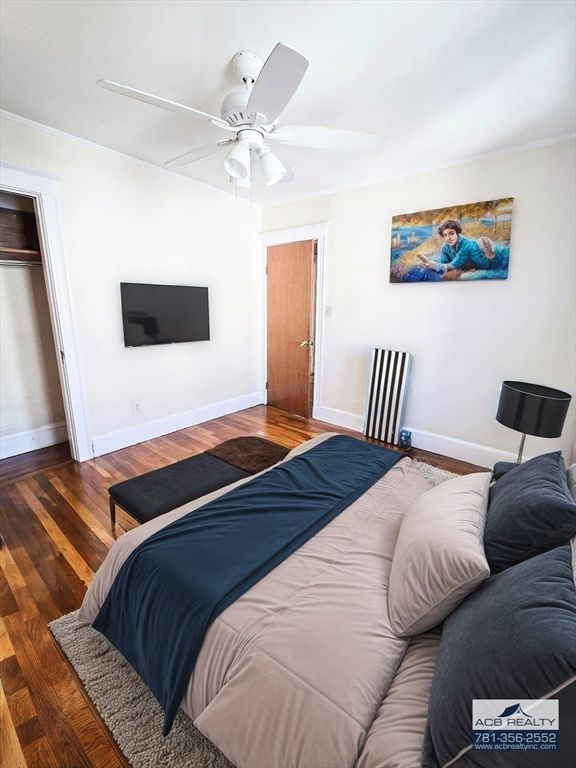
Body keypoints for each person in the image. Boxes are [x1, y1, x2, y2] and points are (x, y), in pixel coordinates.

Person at [417, 219, 495, 274]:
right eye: (445, 235)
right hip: (466, 264)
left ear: (457, 233)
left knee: (487, 263)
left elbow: (453, 265)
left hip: (483, 261)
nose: (448, 238)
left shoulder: (466, 245)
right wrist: (430, 264)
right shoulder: (445, 247)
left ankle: (485, 246)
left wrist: (436, 266)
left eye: (451, 233)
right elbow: (443, 263)